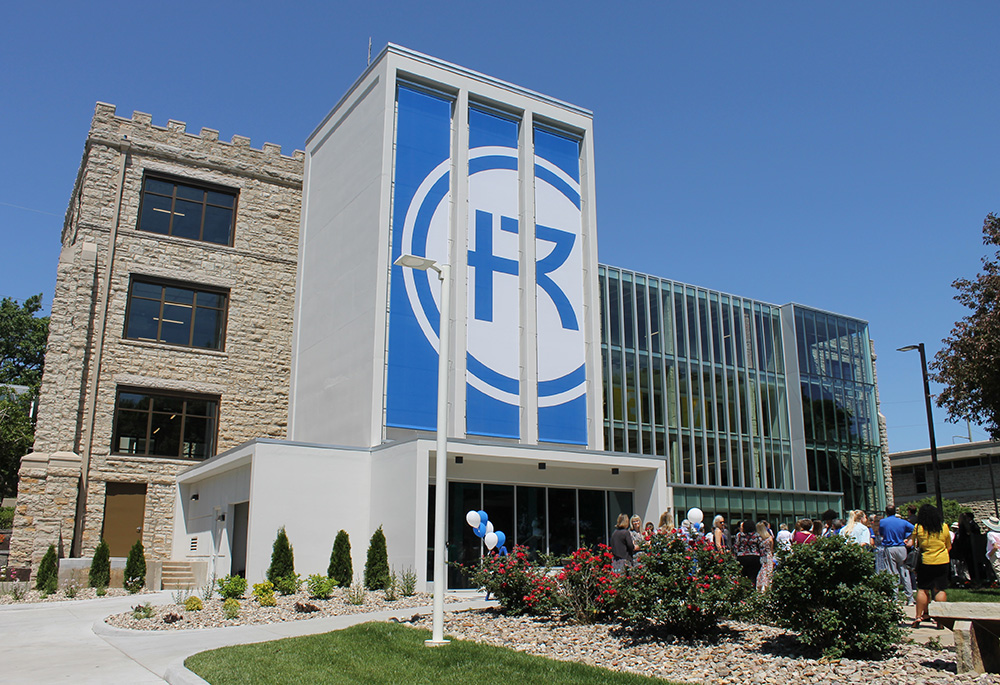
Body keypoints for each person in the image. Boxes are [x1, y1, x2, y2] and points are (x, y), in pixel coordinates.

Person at [910, 503, 952, 628]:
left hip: (925, 561)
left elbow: (914, 544)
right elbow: (948, 545)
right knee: (939, 589)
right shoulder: (943, 526)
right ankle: (940, 620)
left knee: (923, 589)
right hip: (942, 560)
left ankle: (918, 617)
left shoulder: (918, 527)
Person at [879, 505, 915, 605]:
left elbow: (881, 533)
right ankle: (910, 598)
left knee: (892, 573)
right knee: (905, 572)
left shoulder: (883, 522)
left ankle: (894, 597)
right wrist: (909, 538)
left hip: (890, 547)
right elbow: (915, 529)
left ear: (886, 512)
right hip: (901, 547)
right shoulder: (903, 522)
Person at [756, 521, 775, 591]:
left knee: (760, 573)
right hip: (768, 556)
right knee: (768, 573)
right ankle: (768, 589)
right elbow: (771, 549)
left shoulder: (758, 538)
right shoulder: (769, 538)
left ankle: (759, 588)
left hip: (760, 556)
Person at [985, 516, 1000, 583]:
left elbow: (995, 546)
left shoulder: (990, 534)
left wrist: (990, 554)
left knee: (998, 571)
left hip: (995, 554)